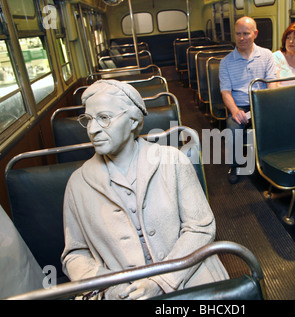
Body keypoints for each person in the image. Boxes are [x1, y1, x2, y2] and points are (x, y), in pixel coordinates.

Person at [61, 79, 229, 300]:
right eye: (88, 120)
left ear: (132, 121)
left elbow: (201, 228)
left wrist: (161, 282)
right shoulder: (78, 183)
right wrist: (109, 288)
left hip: (190, 280)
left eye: (104, 118)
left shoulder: (173, 161)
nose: (92, 130)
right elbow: (75, 254)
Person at [219, 16, 278, 184]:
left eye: (246, 33)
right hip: (240, 106)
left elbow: (271, 83)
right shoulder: (226, 62)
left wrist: (266, 105)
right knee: (233, 128)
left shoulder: (266, 55)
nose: (241, 38)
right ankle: (235, 165)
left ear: (255, 34)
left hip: (262, 103)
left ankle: (269, 163)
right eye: (238, 34)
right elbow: (225, 92)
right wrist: (235, 111)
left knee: (276, 125)